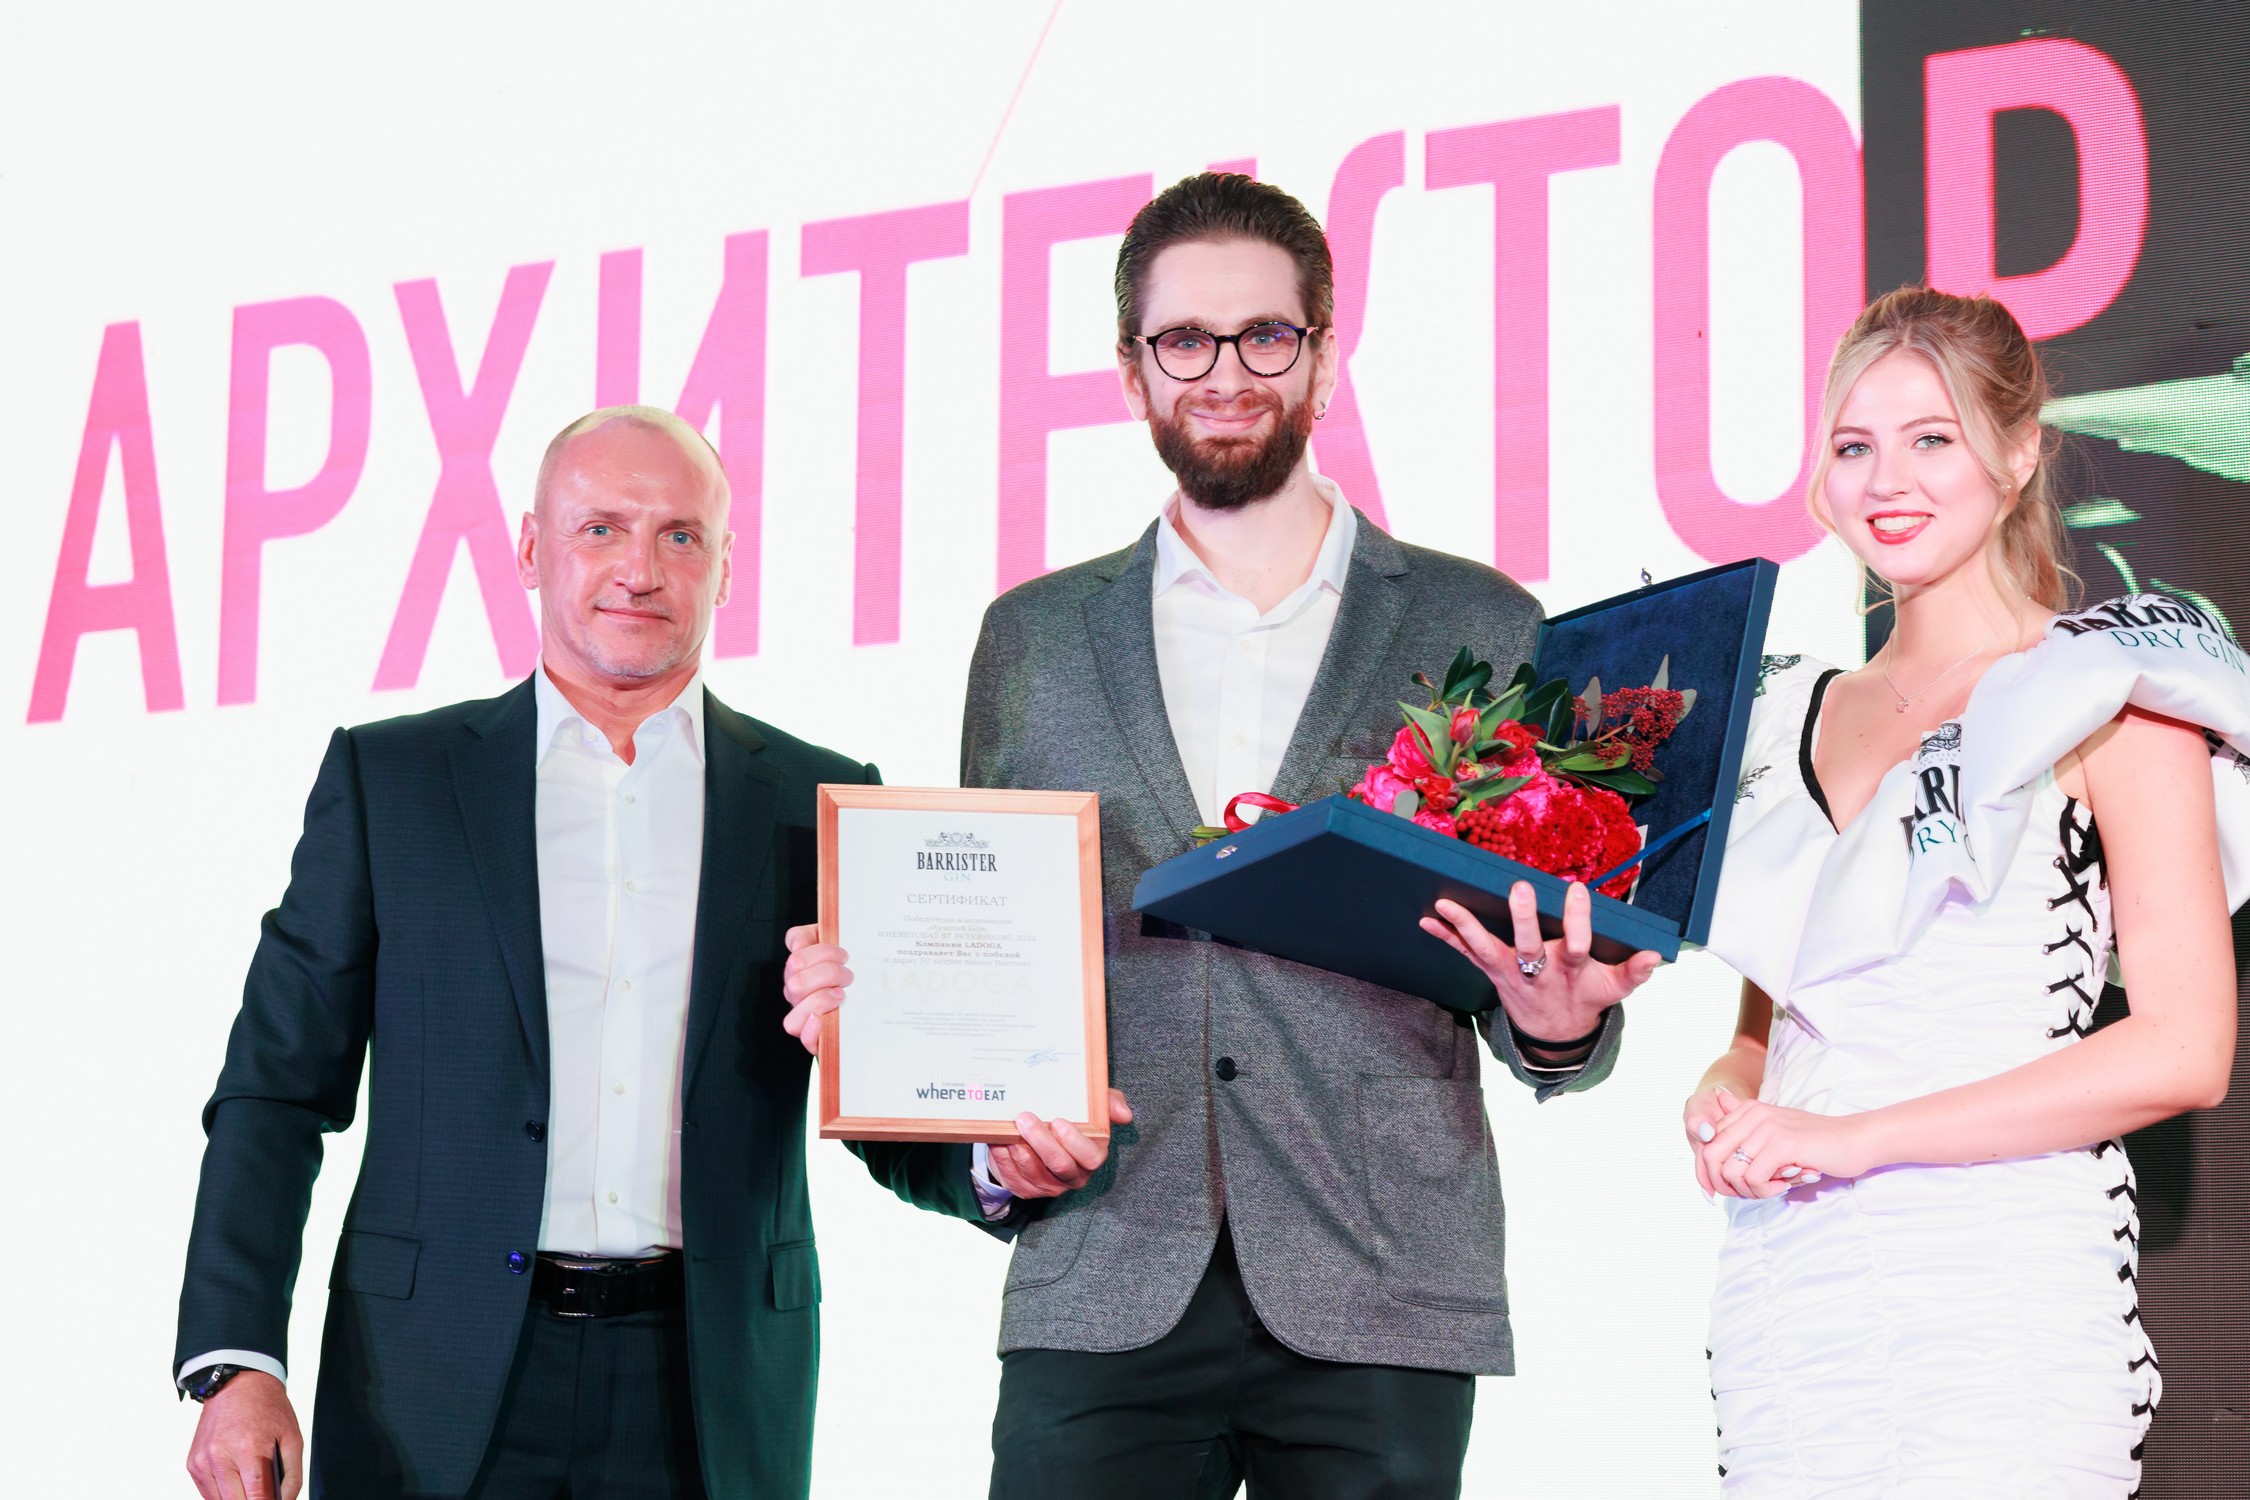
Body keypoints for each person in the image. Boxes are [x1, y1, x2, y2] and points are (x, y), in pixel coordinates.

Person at [782, 171, 1660, 1499]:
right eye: (1185, 340)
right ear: (1132, 370)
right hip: (1103, 1271)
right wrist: (968, 1124)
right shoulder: (1031, 640)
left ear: (1324, 356)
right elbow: (994, 968)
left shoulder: (1479, 625)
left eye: (1265, 335)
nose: (1227, 374)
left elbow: (1531, 979)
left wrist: (1557, 1028)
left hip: (1383, 1284)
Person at [174, 407, 1023, 1500]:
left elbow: (885, 1097)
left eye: (680, 535)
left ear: (726, 566)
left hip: (708, 1389)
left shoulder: (820, 801)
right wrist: (237, 1359)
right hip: (428, 1380)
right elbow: (276, 1088)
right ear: (533, 549)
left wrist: (995, 1161)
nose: (640, 569)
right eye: (601, 529)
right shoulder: (394, 783)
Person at [1688, 287, 2250, 1494]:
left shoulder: (2114, 688)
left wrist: (1859, 1139)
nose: (1886, 479)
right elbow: (1766, 1032)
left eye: (1931, 437)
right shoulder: (1782, 717)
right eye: (1854, 445)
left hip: (1999, 1287)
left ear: (2018, 452)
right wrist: (1726, 1095)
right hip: (1794, 1296)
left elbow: (2184, 1050)